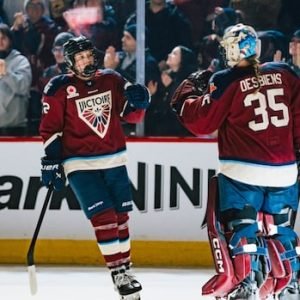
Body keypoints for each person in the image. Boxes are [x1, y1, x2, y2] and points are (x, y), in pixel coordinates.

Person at [171, 23, 300, 299]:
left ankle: (247, 283)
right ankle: (291, 285)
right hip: (285, 171)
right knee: (281, 228)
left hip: (243, 171)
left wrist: (185, 96)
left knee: (243, 227)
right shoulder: (287, 73)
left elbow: (202, 121)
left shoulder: (226, 79)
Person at [39, 35, 150, 300]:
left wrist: (140, 103)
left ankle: (126, 269)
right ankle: (118, 273)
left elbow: (130, 116)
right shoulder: (58, 88)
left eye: (89, 55)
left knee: (121, 217)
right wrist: (51, 161)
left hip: (114, 158)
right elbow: (49, 130)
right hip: (79, 163)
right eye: (80, 57)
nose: (87, 60)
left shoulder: (111, 79)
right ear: (70, 62)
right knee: (104, 217)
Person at [0, 23, 32, 135]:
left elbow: (23, 87)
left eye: (3, 38)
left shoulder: (21, 61)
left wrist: (6, 73)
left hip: (14, 128)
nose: (0, 42)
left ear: (10, 40)